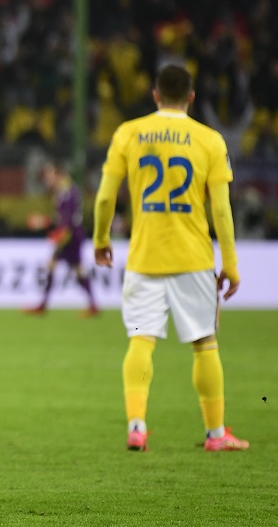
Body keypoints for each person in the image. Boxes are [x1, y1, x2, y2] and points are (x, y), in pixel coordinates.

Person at [92, 63, 249, 453]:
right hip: (193, 258)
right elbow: (221, 209)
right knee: (205, 343)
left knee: (141, 340)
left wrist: (101, 238)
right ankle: (216, 434)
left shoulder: (128, 132)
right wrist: (230, 263)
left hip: (145, 257)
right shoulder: (209, 139)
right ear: (191, 97)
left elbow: (106, 197)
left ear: (155, 95)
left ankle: (137, 426)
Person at [23, 161, 99, 316]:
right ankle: (92, 305)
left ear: (58, 175)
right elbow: (62, 217)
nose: (47, 180)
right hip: (71, 233)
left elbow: (67, 218)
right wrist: (44, 222)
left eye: (49, 176)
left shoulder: (66, 191)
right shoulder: (65, 190)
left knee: (55, 265)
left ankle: (43, 305)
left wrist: (59, 232)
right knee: (77, 268)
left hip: (70, 234)